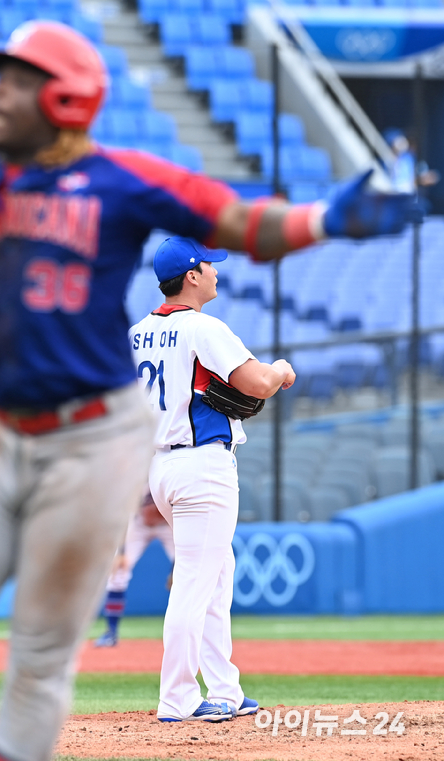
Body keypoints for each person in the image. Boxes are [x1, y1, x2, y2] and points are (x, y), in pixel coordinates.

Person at [0, 18, 416, 761]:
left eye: (18, 79)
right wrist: (277, 369)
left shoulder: (119, 182)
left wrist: (326, 219)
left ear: (65, 100)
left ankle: (25, 746)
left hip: (94, 440)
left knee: (46, 633)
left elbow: (237, 218)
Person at [130, 236, 296, 723]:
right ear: (191, 276)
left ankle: (224, 685)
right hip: (201, 464)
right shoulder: (202, 327)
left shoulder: (138, 332)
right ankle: (177, 698)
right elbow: (259, 384)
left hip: (162, 463)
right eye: (209, 265)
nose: (217, 272)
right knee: (195, 584)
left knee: (216, 576)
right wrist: (282, 369)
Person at [94, 488, 174, 648]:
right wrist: (121, 551)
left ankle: (188, 636)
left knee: (185, 575)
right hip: (139, 525)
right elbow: (123, 514)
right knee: (117, 574)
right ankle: (111, 632)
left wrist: (176, 567)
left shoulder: (170, 471)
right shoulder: (138, 473)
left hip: (169, 524)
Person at [384, 127, 439, 194]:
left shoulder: (408, 159)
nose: (401, 144)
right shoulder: (386, 159)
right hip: (391, 193)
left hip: (404, 195)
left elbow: (410, 181)